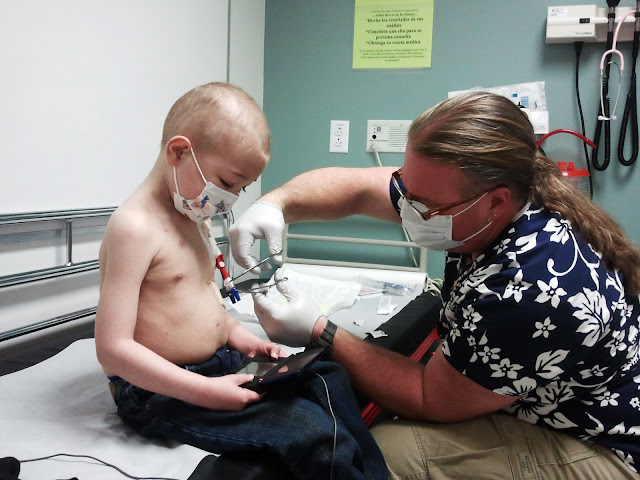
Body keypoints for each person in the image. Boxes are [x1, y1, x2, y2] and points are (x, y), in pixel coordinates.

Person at [229, 91, 640, 479]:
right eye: (406, 190)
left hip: (601, 444)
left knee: (387, 450)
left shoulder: (530, 286)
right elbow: (358, 189)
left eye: (424, 206)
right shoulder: (499, 199)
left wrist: (319, 329)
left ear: (496, 201)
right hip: (550, 397)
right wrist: (274, 204)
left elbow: (430, 396)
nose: (408, 209)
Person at [95, 82, 387, 480]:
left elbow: (202, 303)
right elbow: (112, 350)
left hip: (221, 363)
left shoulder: (193, 217)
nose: (231, 199)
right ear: (179, 153)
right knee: (310, 430)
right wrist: (206, 392)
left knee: (327, 376)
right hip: (161, 390)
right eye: (228, 182)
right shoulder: (134, 228)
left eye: (242, 188)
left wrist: (245, 340)